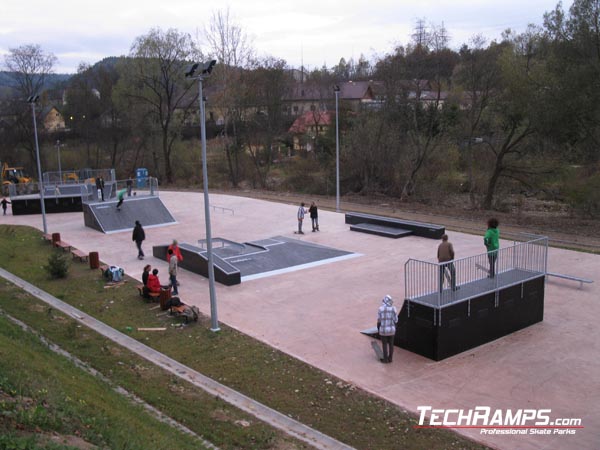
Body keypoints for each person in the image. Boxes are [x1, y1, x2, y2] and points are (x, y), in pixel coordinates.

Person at [377, 295, 398, 364]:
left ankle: (385, 359)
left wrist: (378, 328)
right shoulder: (394, 309)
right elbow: (396, 320)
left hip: (383, 330)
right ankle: (390, 358)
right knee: (391, 344)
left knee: (384, 344)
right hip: (392, 329)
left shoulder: (380, 309)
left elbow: (379, 320)